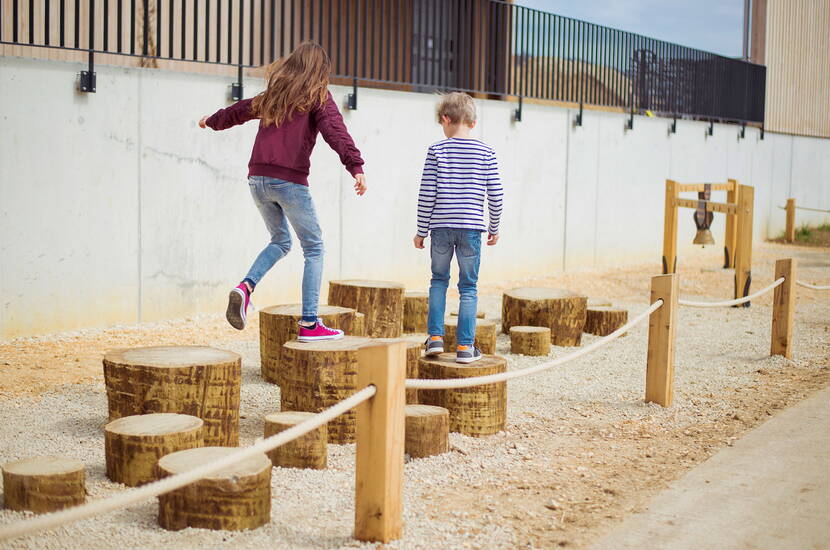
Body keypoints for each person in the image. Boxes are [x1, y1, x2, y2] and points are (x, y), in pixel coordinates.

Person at [199, 41, 366, 341]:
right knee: (314, 248)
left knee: (280, 240)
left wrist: (211, 121)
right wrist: (355, 166)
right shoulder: (318, 96)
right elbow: (335, 132)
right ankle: (310, 324)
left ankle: (245, 287)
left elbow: (240, 110)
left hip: (257, 179)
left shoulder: (275, 95)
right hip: (288, 181)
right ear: (320, 70)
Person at [414, 92, 503, 364]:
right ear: (473, 123)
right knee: (468, 287)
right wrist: (494, 226)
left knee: (438, 281)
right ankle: (465, 347)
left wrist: (421, 229)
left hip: (440, 228)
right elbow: (496, 194)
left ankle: (436, 339)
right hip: (471, 230)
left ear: (445, 119)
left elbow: (426, 193)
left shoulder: (436, 150)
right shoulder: (486, 152)